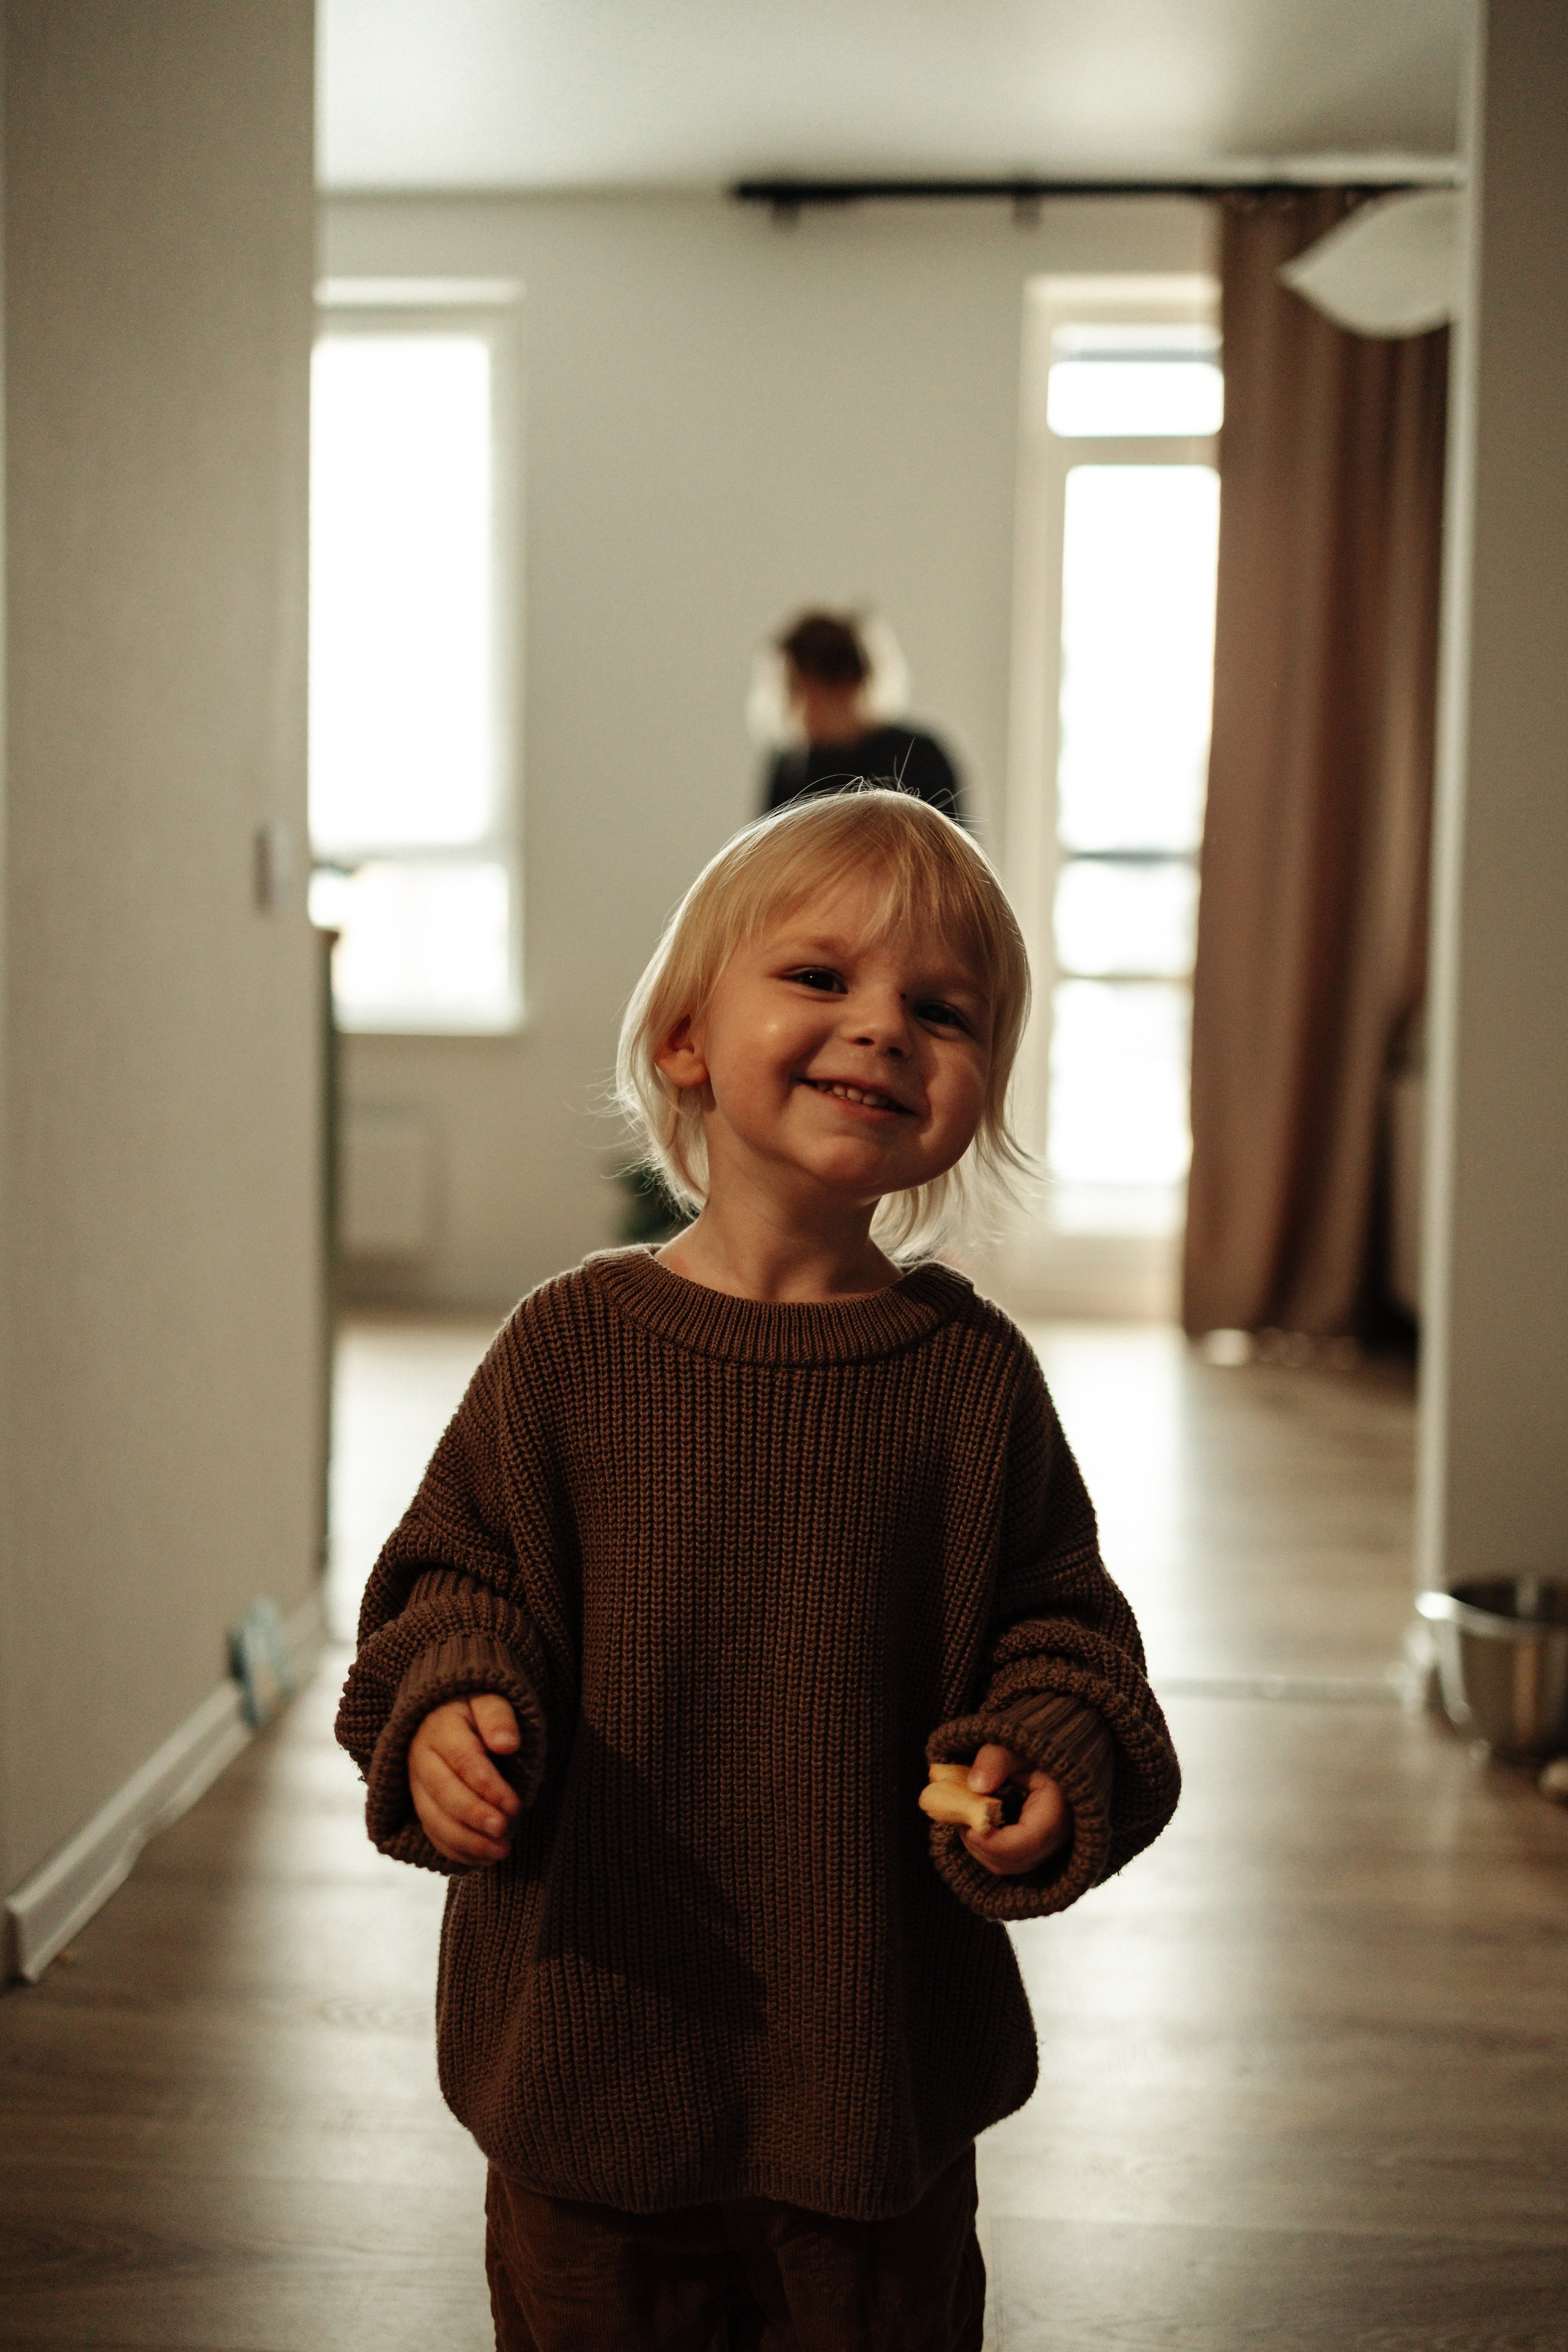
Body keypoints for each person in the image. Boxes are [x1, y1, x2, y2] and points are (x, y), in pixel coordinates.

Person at [335, 788, 1179, 2351]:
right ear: (683, 1042)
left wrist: (1042, 1750)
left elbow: (1063, 1639)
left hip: (868, 2076)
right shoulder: (568, 1352)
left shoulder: (966, 1379)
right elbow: (448, 1586)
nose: (880, 1028)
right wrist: (450, 1701)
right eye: (817, 978)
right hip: (593, 2044)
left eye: (940, 1008)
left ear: (977, 1084)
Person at [762, 609, 965, 822]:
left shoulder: (918, 756)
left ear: (847, 683)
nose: (794, 706)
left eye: (799, 689)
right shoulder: (790, 769)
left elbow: (950, 849)